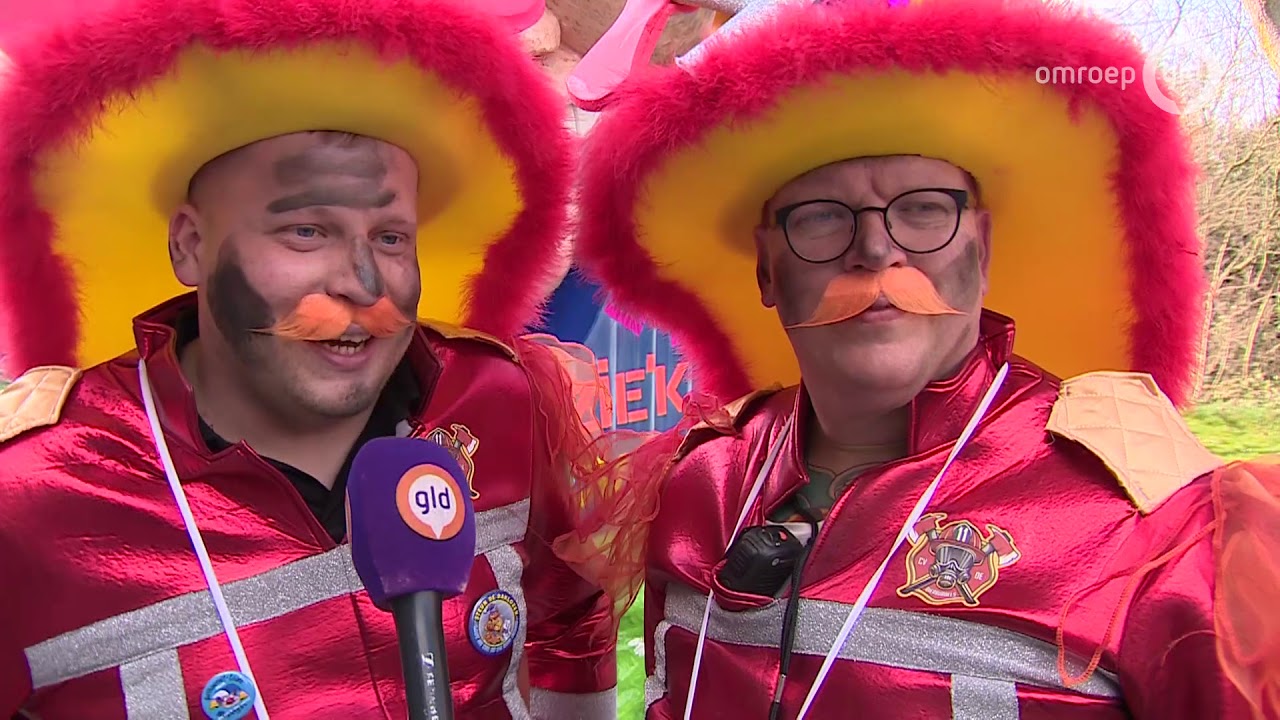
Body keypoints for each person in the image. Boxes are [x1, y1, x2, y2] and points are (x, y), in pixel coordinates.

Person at [559, 0, 1280, 718]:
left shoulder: (1151, 519)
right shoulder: (700, 482)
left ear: (983, 251)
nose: (876, 249)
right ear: (768, 275)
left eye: (924, 210)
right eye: (820, 217)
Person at [0, 0, 619, 717]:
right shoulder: (32, 499)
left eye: (391, 237)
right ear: (190, 247)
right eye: (305, 230)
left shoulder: (496, 400)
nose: (361, 284)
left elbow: (567, 622)